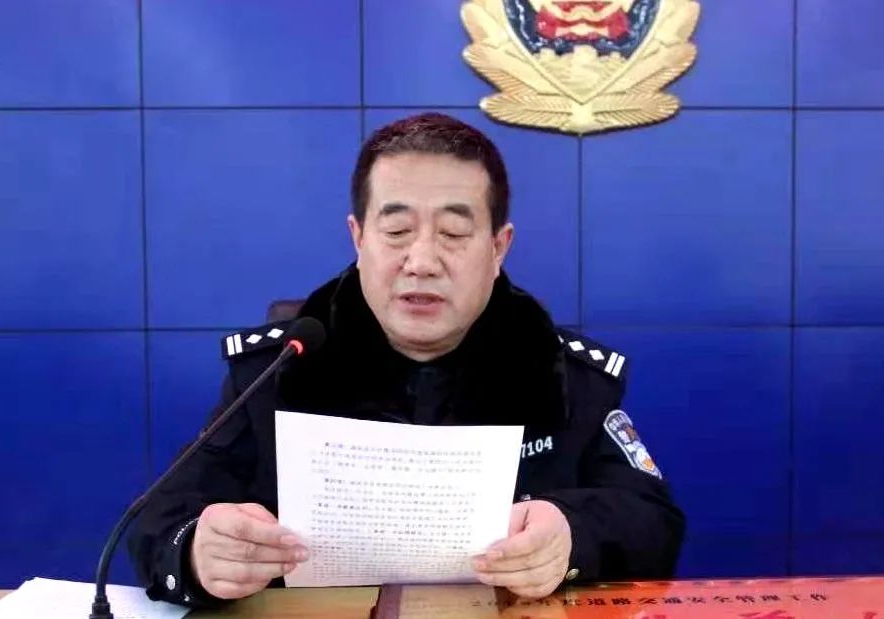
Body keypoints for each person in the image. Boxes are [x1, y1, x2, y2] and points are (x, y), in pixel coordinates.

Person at [128, 112, 685, 607]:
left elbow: (654, 523)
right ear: (359, 238)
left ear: (498, 247)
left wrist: (572, 536)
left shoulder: (563, 374)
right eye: (396, 231)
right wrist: (197, 553)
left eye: (454, 232)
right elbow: (159, 518)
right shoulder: (280, 370)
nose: (421, 261)